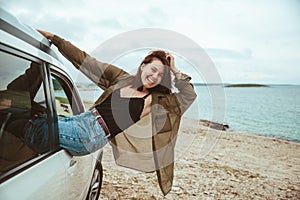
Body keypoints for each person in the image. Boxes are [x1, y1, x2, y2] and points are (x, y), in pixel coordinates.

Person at [13, 30, 197, 195]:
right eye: (154, 70)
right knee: (33, 116)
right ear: (143, 65)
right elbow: (87, 62)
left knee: (23, 126)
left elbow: (189, 95)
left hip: (91, 136)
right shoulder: (122, 78)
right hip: (81, 121)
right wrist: (56, 39)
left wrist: (174, 70)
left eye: (160, 76)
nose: (154, 77)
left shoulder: (157, 100)